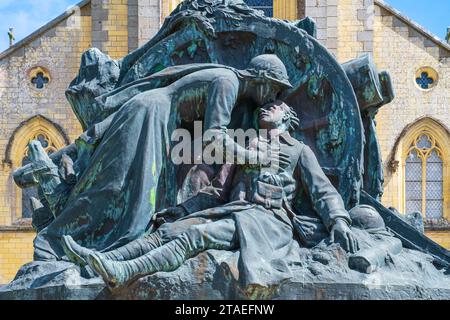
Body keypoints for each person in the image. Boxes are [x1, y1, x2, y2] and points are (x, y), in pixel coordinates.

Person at [62, 101, 358, 292]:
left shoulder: (298, 151)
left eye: (275, 106)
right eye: (265, 106)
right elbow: (219, 190)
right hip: (235, 211)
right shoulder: (246, 145)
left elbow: (323, 191)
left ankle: (124, 271)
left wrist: (339, 222)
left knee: (197, 237)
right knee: (165, 232)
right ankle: (96, 261)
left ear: (287, 116)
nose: (266, 108)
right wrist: (182, 210)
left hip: (267, 222)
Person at [33, 54, 293, 261]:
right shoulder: (228, 82)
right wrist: (252, 157)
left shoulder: (231, 85)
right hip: (149, 115)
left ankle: (109, 247)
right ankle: (54, 241)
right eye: (274, 89)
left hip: (161, 125)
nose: (273, 97)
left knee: (135, 197)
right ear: (261, 78)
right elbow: (214, 136)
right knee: (115, 184)